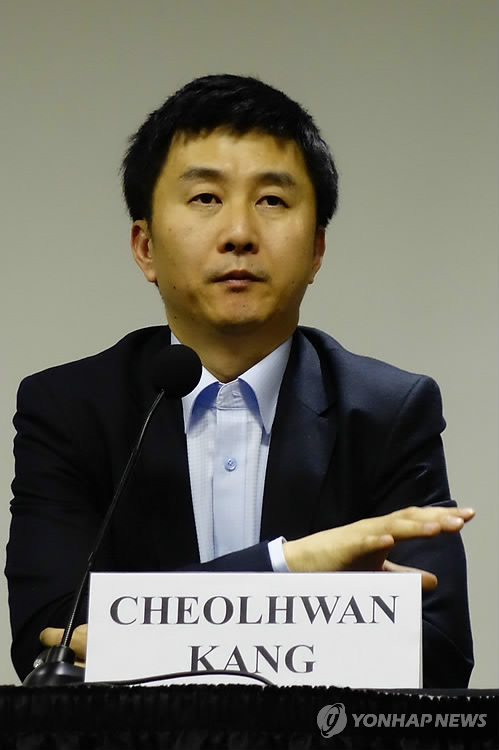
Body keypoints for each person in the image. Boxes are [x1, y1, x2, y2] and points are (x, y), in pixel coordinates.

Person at [6, 74, 474, 686]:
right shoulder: (71, 410)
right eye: (205, 198)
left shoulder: (388, 412)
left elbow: (436, 655)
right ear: (145, 248)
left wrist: (140, 638)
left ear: (317, 249)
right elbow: (51, 640)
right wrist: (291, 567)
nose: (239, 234)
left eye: (272, 201)